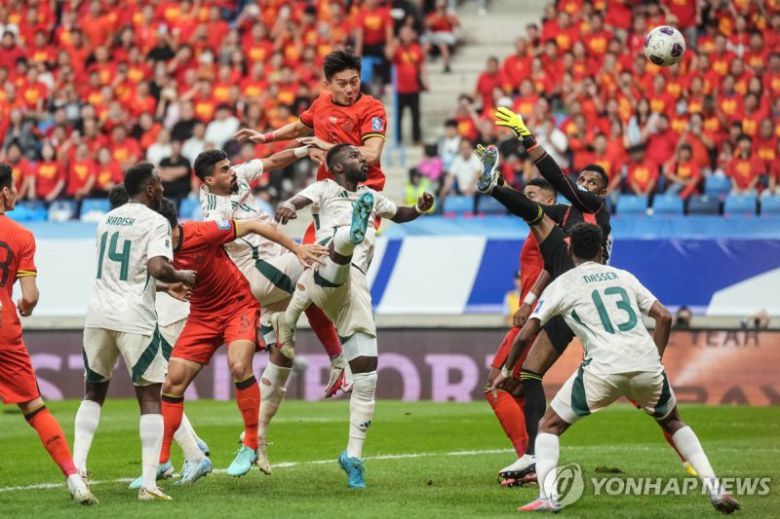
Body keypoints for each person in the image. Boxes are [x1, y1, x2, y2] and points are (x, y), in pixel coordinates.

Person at [476, 107, 691, 482]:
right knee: (530, 373)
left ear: (603, 192)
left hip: (587, 289)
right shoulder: (571, 214)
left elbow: (556, 180)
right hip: (572, 290)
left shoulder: (594, 210)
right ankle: (530, 457)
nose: (586, 185)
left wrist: (528, 139)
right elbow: (538, 213)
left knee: (654, 404)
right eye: (584, 180)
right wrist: (528, 301)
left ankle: (687, 457)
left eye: (593, 182)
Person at [490, 223, 740, 514]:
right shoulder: (624, 276)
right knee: (673, 422)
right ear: (601, 249)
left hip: (603, 367)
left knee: (548, 426)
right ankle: (715, 488)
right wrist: (654, 361)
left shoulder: (563, 283)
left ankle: (549, 496)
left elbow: (525, 333)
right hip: (646, 362)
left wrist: (507, 372)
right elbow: (664, 317)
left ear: (570, 250)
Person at [272, 144, 434, 489]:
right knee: (340, 252)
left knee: (367, 377)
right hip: (326, 265)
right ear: (336, 166)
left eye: (363, 156)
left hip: (354, 291)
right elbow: (298, 201)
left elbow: (400, 213)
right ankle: (351, 235)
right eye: (355, 157)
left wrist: (419, 208)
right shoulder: (325, 188)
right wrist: (287, 204)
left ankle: (353, 457)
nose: (363, 159)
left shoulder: (371, 196)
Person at [194, 148, 347, 473]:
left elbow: (273, 161)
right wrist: (296, 247)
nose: (232, 173)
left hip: (275, 269)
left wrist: (304, 148)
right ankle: (338, 358)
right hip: (258, 275)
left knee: (284, 352)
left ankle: (255, 442)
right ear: (209, 181)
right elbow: (249, 232)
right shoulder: (213, 213)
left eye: (230, 167)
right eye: (224, 170)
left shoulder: (237, 180)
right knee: (323, 254)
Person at [153, 198, 326, 484]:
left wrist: (296, 248)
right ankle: (160, 461)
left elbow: (254, 225)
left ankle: (251, 443)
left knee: (238, 365)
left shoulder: (203, 231)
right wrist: (167, 286)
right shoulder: (154, 251)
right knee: (172, 383)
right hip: (202, 316)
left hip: (237, 306)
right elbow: (141, 276)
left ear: (164, 227)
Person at [74, 162, 196, 502]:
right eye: (158, 182)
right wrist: (181, 276)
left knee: (93, 393)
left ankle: (78, 469)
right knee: (149, 398)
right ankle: (148, 484)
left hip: (98, 314)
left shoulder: (106, 219)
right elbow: (157, 266)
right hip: (134, 319)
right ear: (151, 188)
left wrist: (161, 287)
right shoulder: (156, 222)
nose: (162, 188)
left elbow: (122, 274)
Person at [0, 163, 97, 505]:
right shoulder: (22, 236)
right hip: (4, 330)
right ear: (4, 193)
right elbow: (30, 295)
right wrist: (25, 306)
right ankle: (74, 477)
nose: (15, 193)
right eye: (13, 188)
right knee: (35, 408)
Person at [234, 51, 387, 193]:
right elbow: (297, 129)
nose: (349, 89)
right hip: (328, 188)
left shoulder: (372, 109)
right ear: (327, 84)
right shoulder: (322, 102)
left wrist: (326, 146)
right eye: (342, 84)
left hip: (362, 190)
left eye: (354, 82)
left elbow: (372, 154)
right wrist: (266, 137)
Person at [485, 179, 556, 480]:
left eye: (532, 196)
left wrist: (529, 304)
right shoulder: (539, 229)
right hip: (538, 315)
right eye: (523, 196)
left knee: (496, 386)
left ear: (549, 202)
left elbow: (551, 268)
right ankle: (537, 457)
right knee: (521, 389)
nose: (525, 201)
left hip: (535, 317)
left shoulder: (549, 233)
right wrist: (499, 184)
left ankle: (528, 459)